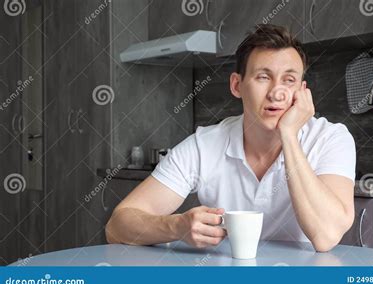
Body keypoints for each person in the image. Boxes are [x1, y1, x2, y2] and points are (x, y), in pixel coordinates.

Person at [106, 24, 356, 252]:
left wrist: (289, 136)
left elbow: (327, 236)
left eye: (289, 80)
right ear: (237, 85)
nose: (277, 93)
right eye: (263, 77)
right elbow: (117, 226)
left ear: (302, 91)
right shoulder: (204, 145)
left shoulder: (331, 138)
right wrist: (176, 227)